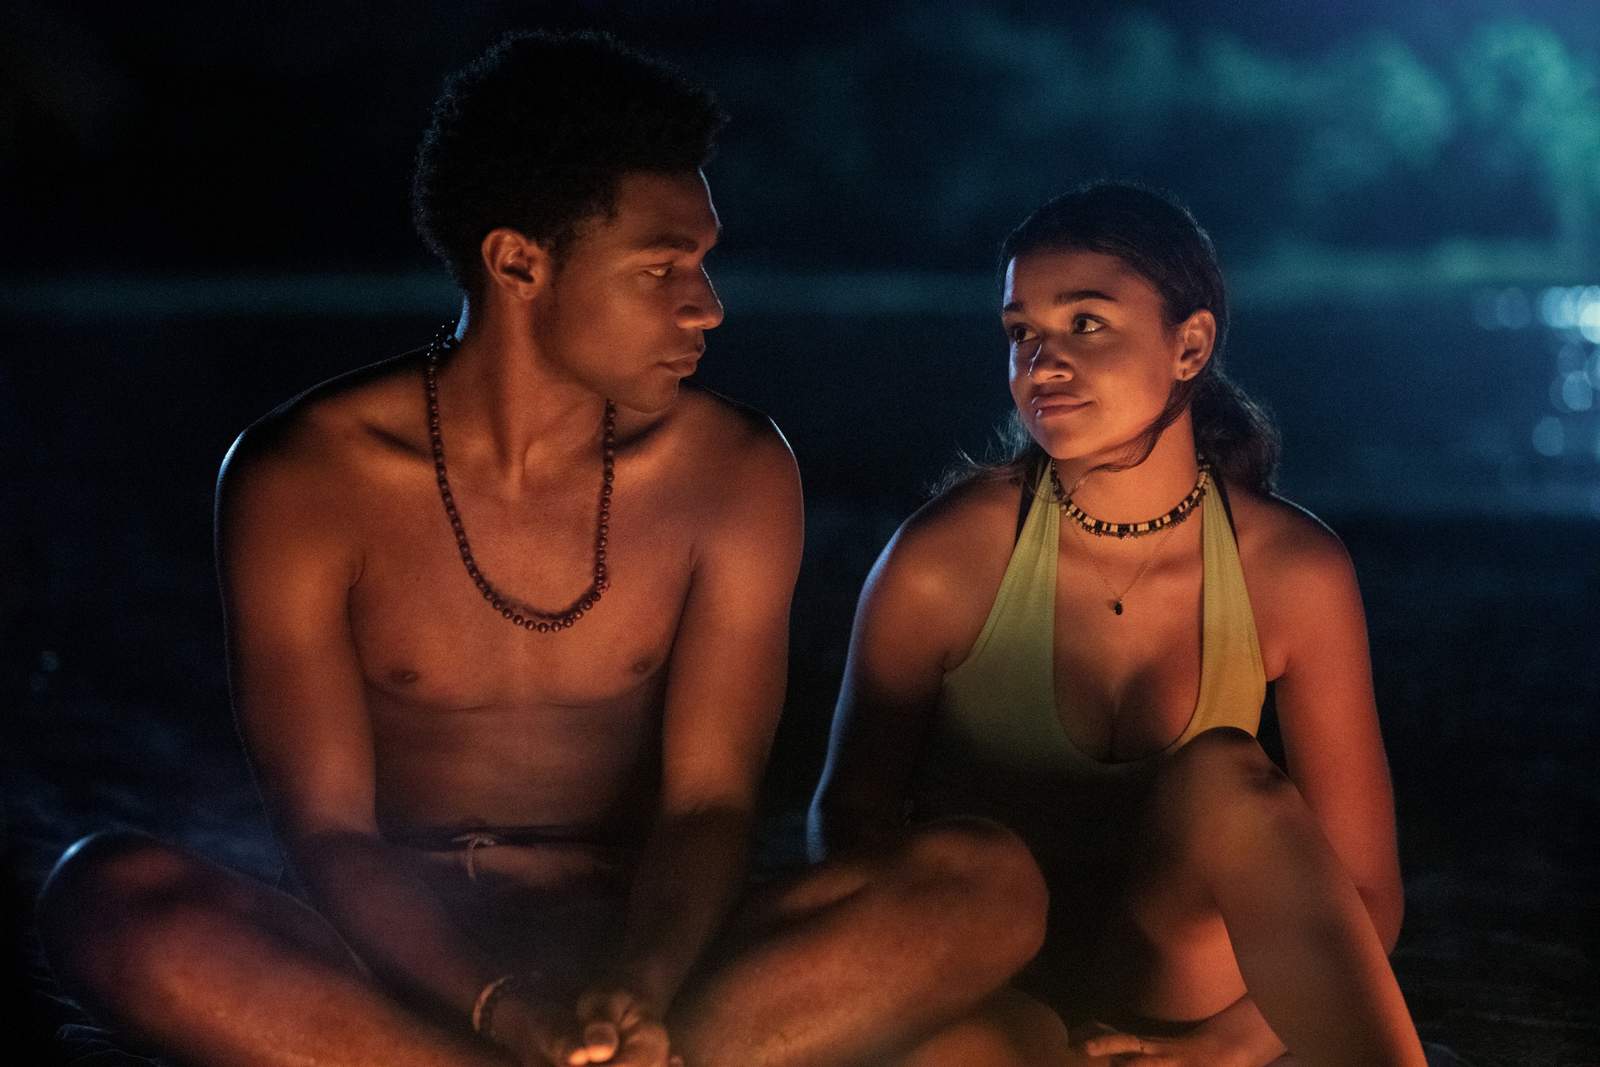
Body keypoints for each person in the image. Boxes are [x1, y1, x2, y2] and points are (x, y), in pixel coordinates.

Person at [36, 31, 1048, 1067]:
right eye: (662, 267)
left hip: (649, 949)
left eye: (702, 261)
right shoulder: (301, 478)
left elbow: (709, 803)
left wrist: (636, 986)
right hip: (395, 960)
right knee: (107, 894)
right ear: (518, 260)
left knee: (987, 880)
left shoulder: (733, 471)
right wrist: (502, 1007)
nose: (708, 304)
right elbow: (330, 831)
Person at [809, 182, 1430, 1066]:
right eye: (1021, 331)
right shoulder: (945, 557)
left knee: (1226, 777)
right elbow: (850, 817)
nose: (1042, 362)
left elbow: (1367, 891)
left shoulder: (1293, 570)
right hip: (998, 988)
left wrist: (1221, 1048)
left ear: (1191, 344)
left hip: (1179, 987)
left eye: (1086, 323)